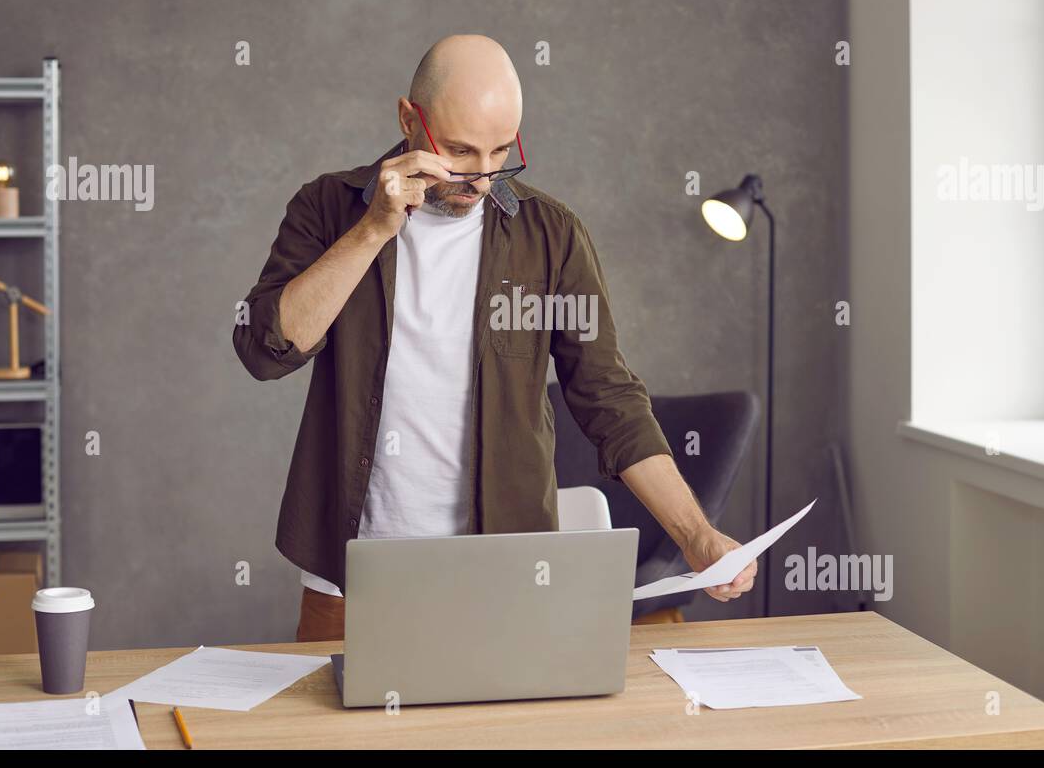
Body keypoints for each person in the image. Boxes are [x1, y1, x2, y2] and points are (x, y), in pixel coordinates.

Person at [233, 34, 755, 641]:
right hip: (351, 575)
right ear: (409, 119)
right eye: (458, 152)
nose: (480, 178)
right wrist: (373, 230)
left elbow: (608, 396)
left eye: (500, 152)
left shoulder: (552, 236)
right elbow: (265, 350)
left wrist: (696, 535)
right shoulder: (327, 208)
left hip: (503, 575)